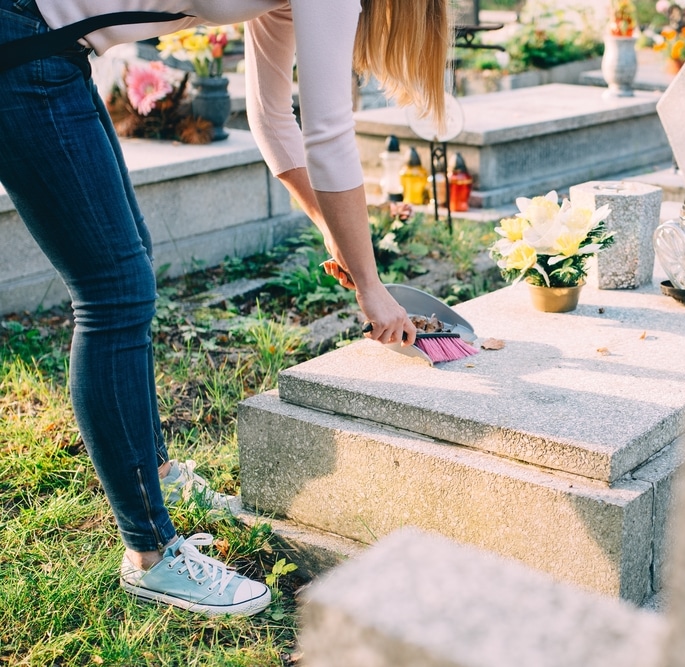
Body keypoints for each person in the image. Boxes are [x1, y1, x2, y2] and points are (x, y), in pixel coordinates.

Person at [0, 0, 448, 616]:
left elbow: (270, 118)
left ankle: (148, 470)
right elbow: (327, 133)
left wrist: (330, 227)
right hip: (24, 35)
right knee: (113, 293)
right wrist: (370, 284)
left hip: (50, 44)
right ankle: (151, 554)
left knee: (126, 270)